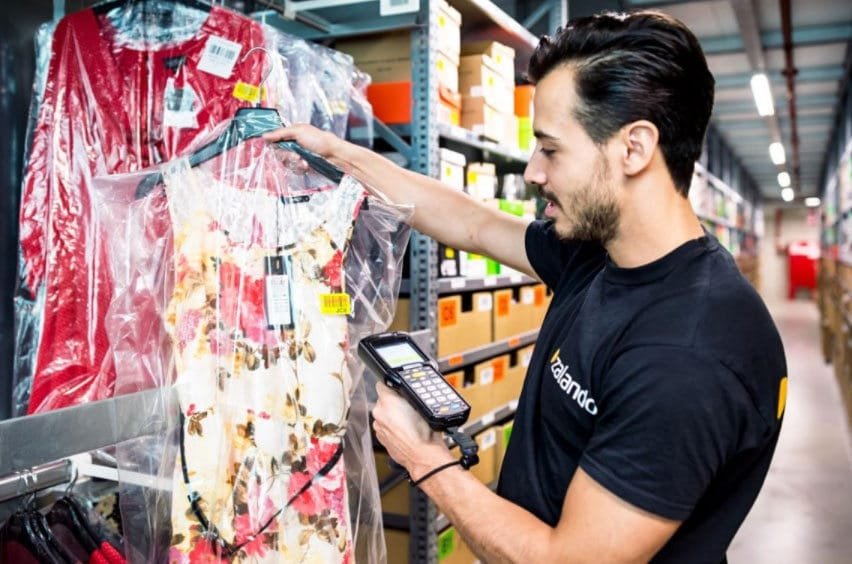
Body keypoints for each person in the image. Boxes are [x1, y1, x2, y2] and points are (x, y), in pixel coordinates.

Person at [265, 10, 787, 563]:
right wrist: (339, 154)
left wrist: (424, 458)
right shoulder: (600, 253)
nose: (533, 171)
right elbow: (475, 224)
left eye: (551, 149)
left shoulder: (689, 353)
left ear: (634, 148)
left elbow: (569, 560)